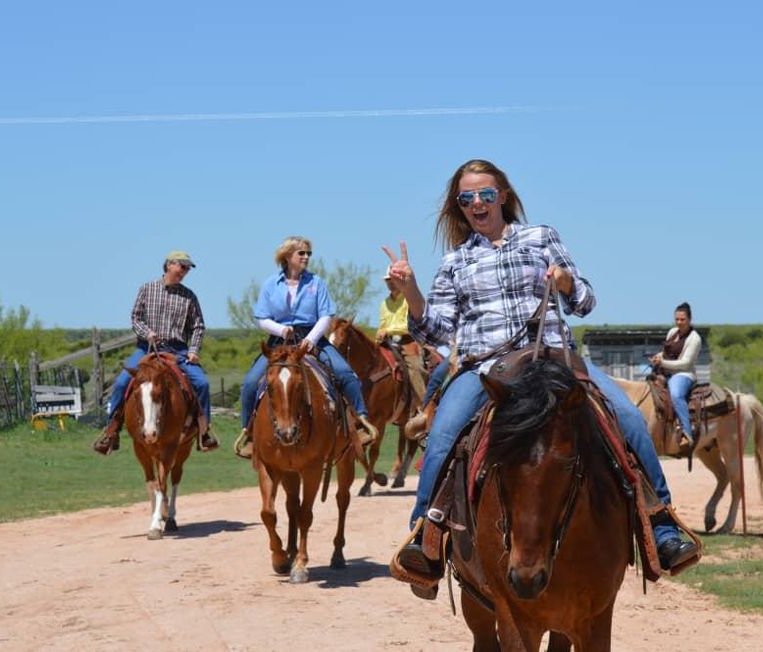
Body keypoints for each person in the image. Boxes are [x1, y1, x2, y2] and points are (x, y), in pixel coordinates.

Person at [384, 160, 698, 591]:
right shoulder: (456, 260)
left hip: (555, 358)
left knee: (627, 417)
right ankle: (428, 534)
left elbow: (586, 302)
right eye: (467, 198)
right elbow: (437, 330)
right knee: (442, 436)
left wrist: (567, 283)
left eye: (485, 194)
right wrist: (411, 292)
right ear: (459, 207)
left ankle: (661, 526)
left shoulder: (541, 237)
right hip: (486, 367)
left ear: (504, 196)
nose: (477, 203)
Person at [233, 236, 378, 459]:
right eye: (301, 253)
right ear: (287, 256)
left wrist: (310, 339)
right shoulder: (271, 284)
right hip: (279, 342)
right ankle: (249, 433)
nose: (306, 257)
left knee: (344, 373)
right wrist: (281, 330)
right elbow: (261, 318)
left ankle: (360, 422)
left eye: (308, 253)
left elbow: (326, 315)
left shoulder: (317, 283)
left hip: (313, 338)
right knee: (251, 382)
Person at [92, 250, 219, 455]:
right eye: (182, 266)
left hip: (178, 351)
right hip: (146, 349)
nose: (185, 271)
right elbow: (136, 318)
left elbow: (198, 326)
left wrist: (193, 350)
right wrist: (147, 333)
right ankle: (111, 431)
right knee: (123, 382)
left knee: (202, 383)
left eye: (187, 269)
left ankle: (204, 433)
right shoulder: (147, 289)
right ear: (169, 265)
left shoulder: (189, 296)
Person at [650, 302, 703, 447]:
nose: (679, 322)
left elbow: (685, 363)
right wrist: (658, 357)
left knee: (675, 394)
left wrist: (663, 363)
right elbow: (666, 352)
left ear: (690, 319)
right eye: (677, 319)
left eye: (682, 319)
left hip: (683, 374)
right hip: (665, 371)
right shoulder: (672, 332)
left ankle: (687, 432)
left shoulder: (695, 339)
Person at [376, 273, 428, 404]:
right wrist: (378, 336)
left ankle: (424, 405)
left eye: (393, 280)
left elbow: (409, 325)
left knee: (415, 368)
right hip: (389, 341)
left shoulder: (409, 299)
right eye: (388, 280)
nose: (390, 283)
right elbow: (382, 324)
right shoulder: (384, 303)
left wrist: (387, 330)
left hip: (409, 340)